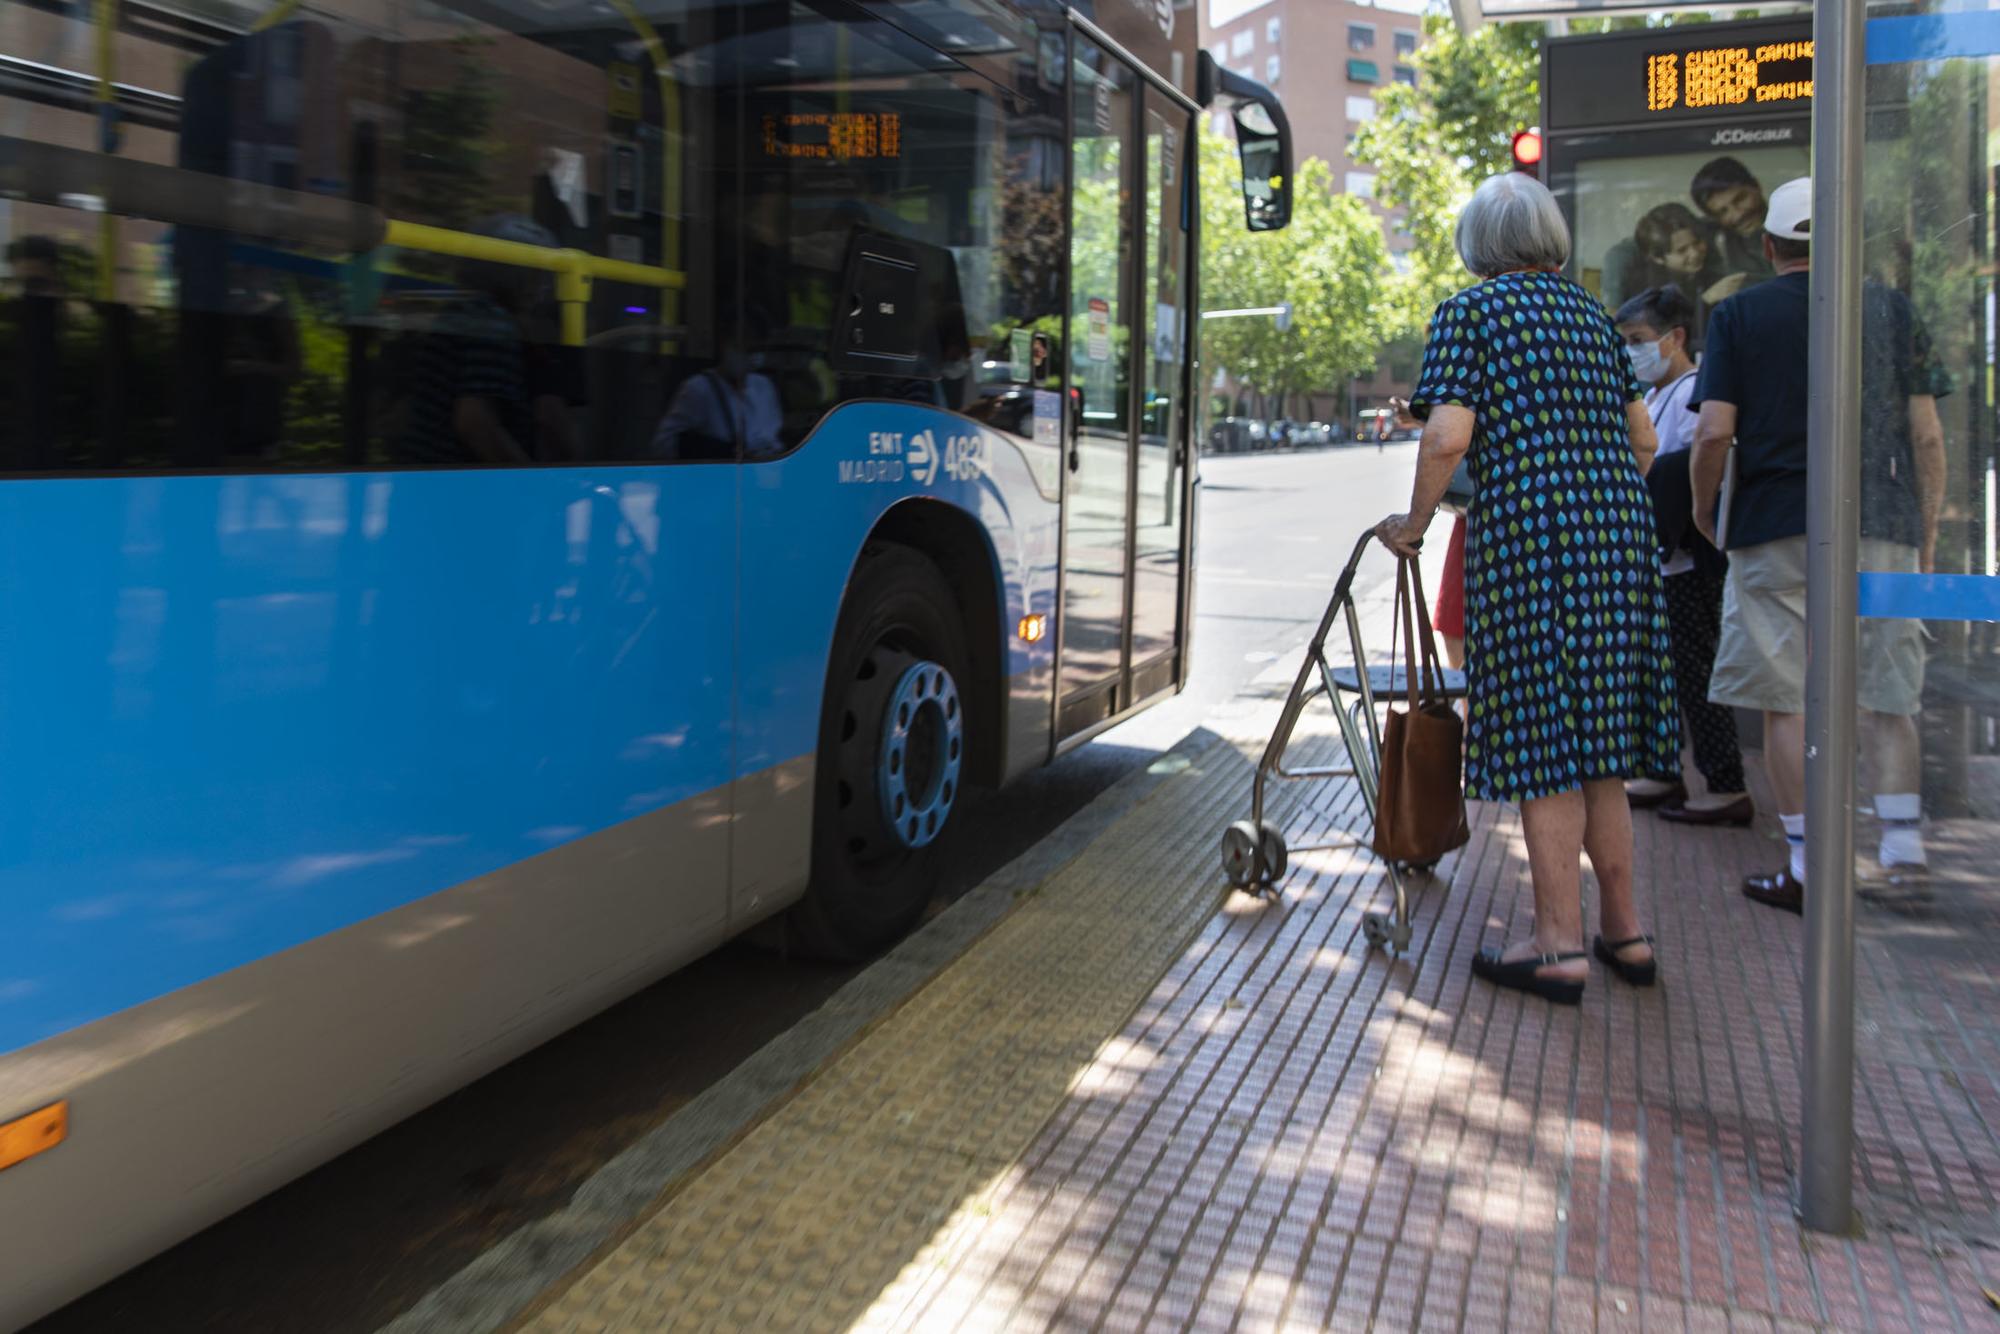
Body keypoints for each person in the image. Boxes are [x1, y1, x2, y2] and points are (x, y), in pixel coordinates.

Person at [1376, 173, 1678, 1005]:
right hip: (1618, 545)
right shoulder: (1590, 315)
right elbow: (1644, 439)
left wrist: (1415, 522)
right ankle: (1627, 931)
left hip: (1530, 551)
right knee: (1603, 754)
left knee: (1547, 749)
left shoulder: (1470, 314)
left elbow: (1445, 433)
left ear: (1478, 244)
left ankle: (1555, 946)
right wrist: (1596, 490)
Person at [1689, 177, 1947, 913]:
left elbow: (1713, 432)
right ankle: (1903, 855)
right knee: (1886, 694)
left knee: (1783, 698)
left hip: (1774, 523)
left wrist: (1709, 515)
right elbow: (1927, 435)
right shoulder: (1892, 310)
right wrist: (1923, 538)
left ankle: (1806, 865)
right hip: (1883, 522)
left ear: (1769, 247)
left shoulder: (1739, 314)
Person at [1614, 285, 1751, 824]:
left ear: (1674, 339)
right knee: (1660, 675)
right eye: (1624, 342)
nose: (1631, 351)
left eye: (1638, 340)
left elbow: (1697, 467)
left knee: (1697, 673)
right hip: (1658, 559)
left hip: (1687, 559)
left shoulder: (1695, 395)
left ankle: (1725, 783)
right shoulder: (1650, 398)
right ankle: (1661, 768)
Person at [1690, 157, 1775, 289]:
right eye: (1723, 212)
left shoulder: (1803, 224)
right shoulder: (1713, 245)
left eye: (1740, 199)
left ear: (1756, 186)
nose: (1738, 215)